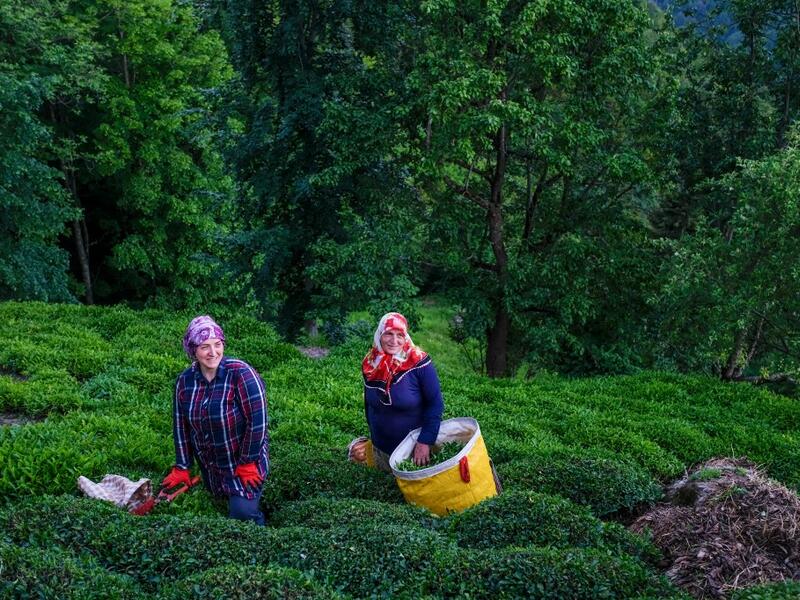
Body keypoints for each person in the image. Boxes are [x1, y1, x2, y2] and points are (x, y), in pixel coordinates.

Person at [162, 315, 269, 524]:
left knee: (242, 516)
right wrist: (182, 466)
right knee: (216, 501)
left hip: (244, 464)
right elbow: (181, 426)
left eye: (217, 345)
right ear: (193, 350)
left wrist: (247, 461)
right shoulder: (184, 381)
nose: (213, 352)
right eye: (205, 347)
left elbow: (258, 423)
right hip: (211, 466)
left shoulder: (241, 373)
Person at [362, 312, 444, 472]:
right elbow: (369, 403)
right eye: (388, 334)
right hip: (381, 450)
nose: (394, 341)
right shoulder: (370, 363)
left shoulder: (420, 363)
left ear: (406, 336)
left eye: (400, 335)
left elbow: (435, 404)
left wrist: (425, 441)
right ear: (380, 334)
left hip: (414, 453)